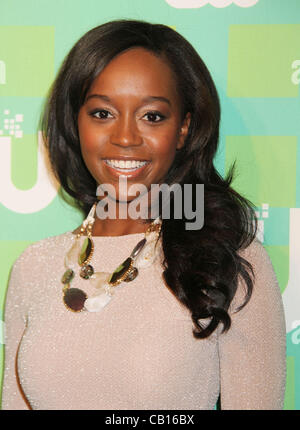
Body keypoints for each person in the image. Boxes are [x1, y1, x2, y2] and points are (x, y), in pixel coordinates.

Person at [1, 19, 286, 410]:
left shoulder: (227, 258)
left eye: (152, 116)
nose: (125, 137)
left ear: (184, 128)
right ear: (75, 121)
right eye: (102, 113)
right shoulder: (33, 267)